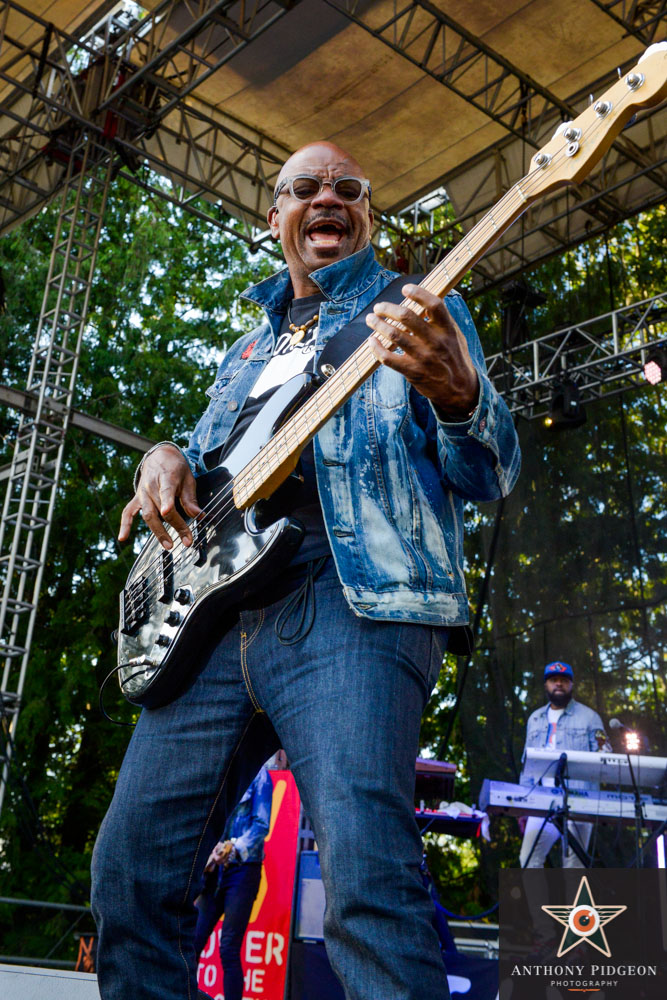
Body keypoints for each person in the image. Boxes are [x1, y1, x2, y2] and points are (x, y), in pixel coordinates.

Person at [91, 141, 520, 1000]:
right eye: (305, 188)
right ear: (275, 215)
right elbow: (216, 477)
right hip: (213, 620)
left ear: (366, 216)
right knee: (129, 876)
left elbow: (490, 473)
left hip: (352, 600)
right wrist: (167, 457)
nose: (327, 198)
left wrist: (462, 396)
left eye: (347, 189)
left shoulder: (415, 310)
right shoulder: (246, 349)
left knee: (366, 880)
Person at [519, 661, 610, 868]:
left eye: (564, 680)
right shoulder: (535, 719)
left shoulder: (589, 717)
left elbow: (604, 759)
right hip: (541, 800)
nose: (558, 684)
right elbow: (527, 766)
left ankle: (573, 902)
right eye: (553, 680)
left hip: (579, 799)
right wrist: (524, 806)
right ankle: (538, 903)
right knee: (527, 860)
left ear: (571, 685)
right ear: (546, 685)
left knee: (574, 866)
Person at [194, 766, 273, 1000]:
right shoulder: (220, 767)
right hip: (213, 870)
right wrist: (210, 854)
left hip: (243, 870)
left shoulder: (261, 776)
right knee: (191, 942)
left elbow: (261, 826)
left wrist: (230, 848)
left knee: (228, 947)